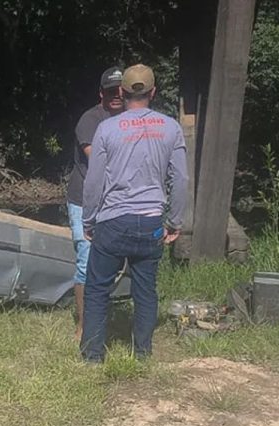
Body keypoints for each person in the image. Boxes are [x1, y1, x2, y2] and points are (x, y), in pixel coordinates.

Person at [80, 64, 188, 363]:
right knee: (145, 290)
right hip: (151, 221)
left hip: (112, 221)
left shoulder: (106, 129)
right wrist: (175, 222)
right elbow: (180, 179)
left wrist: (88, 219)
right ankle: (142, 353)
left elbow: (94, 181)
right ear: (153, 92)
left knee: (98, 289)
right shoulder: (170, 127)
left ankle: (92, 356)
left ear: (121, 92)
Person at [66, 66, 125, 341]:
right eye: (111, 91)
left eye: (121, 90)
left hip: (117, 200)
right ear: (101, 93)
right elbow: (98, 159)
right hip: (84, 200)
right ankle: (83, 325)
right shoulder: (90, 119)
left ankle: (105, 317)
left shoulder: (130, 118)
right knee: (85, 261)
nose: (116, 95)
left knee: (111, 262)